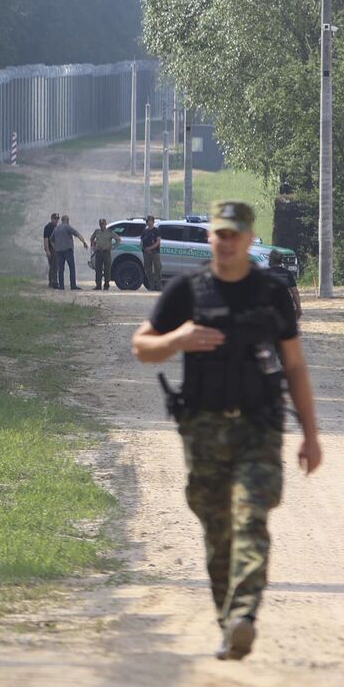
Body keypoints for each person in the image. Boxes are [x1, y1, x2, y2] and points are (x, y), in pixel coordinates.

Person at [132, 201, 323, 662]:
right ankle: (228, 622)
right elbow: (142, 346)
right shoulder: (187, 290)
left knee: (250, 518)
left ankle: (244, 616)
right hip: (203, 429)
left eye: (236, 233)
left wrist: (311, 434)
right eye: (221, 233)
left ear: (250, 237)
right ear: (211, 237)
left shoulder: (271, 293)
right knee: (218, 533)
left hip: (260, 426)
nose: (228, 241)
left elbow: (294, 366)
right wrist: (176, 340)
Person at [50, 214, 87, 290]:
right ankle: (73, 285)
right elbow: (77, 234)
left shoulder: (56, 228)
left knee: (60, 269)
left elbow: (51, 240)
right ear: (67, 220)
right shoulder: (67, 227)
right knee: (72, 268)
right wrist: (84, 242)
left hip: (59, 251)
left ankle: (61, 286)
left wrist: (55, 247)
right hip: (68, 251)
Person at [266, 250, 303, 319]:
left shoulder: (265, 273)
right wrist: (299, 308)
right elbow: (295, 292)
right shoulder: (287, 273)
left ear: (270, 260)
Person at [89, 218, 117, 290]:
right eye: (100, 224)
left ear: (105, 224)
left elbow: (118, 239)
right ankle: (98, 285)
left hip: (106, 252)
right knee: (98, 269)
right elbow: (92, 239)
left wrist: (112, 247)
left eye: (103, 224)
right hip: (98, 252)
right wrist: (93, 246)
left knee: (107, 270)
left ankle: (106, 285)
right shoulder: (97, 232)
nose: (102, 226)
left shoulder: (109, 232)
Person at [141, 214, 164, 291]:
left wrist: (150, 248)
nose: (148, 222)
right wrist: (145, 249)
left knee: (157, 269)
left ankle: (159, 287)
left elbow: (158, 242)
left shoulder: (156, 231)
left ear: (152, 222)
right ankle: (151, 286)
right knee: (148, 270)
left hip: (155, 252)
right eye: (147, 221)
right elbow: (142, 242)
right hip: (146, 253)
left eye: (149, 220)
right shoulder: (144, 231)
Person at [43, 213, 61, 288]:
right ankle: (54, 281)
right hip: (51, 248)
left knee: (54, 266)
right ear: (51, 219)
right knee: (54, 265)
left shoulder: (57, 227)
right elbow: (46, 239)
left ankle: (52, 281)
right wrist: (47, 250)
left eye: (57, 219)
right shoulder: (48, 227)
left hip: (56, 248)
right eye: (55, 219)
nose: (56, 220)